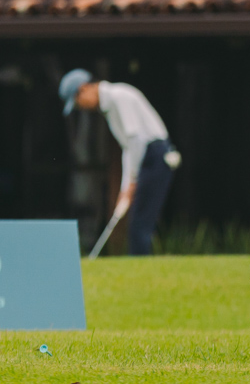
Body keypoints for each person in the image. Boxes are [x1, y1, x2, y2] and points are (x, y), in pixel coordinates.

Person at [60, 69, 180, 255]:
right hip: (147, 156)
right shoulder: (108, 106)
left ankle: (140, 268)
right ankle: (140, 264)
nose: (81, 107)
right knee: (138, 222)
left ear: (83, 89)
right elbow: (128, 148)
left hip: (155, 156)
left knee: (140, 223)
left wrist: (132, 180)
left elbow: (136, 141)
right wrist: (125, 189)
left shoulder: (119, 96)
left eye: (77, 102)